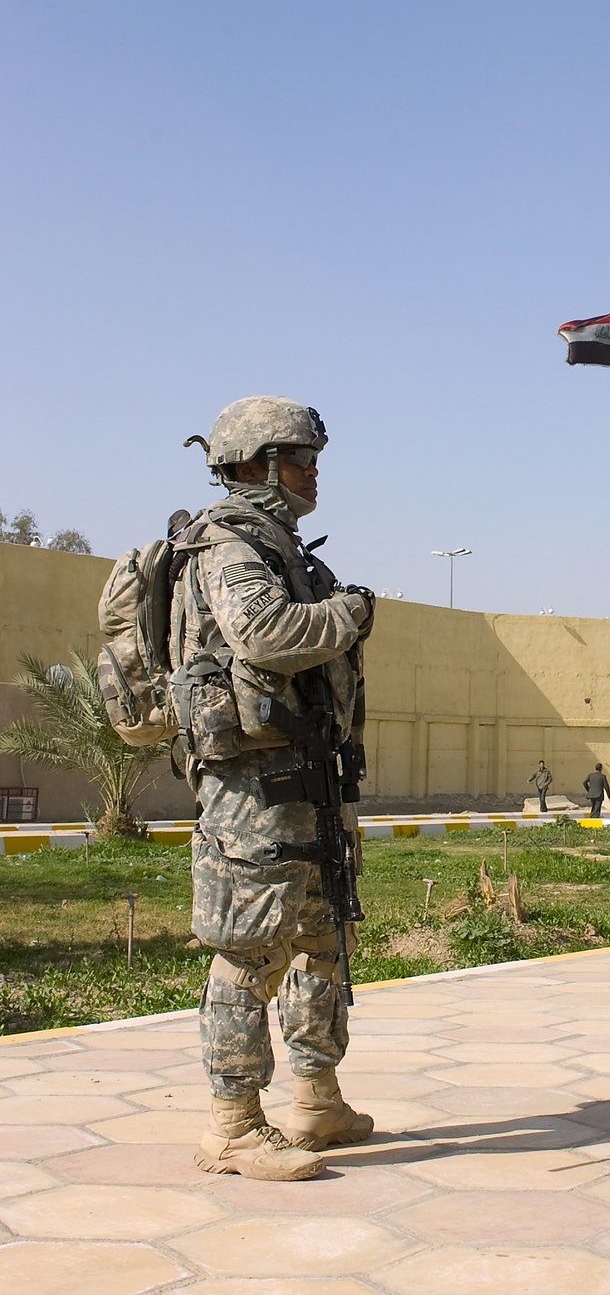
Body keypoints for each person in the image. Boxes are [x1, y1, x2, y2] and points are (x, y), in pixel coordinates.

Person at [173, 396, 376, 1182]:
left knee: (323, 940)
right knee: (251, 952)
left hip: (310, 779)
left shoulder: (288, 551)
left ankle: (317, 1097)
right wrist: (350, 614)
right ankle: (231, 1123)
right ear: (254, 465)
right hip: (252, 789)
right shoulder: (226, 547)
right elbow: (265, 636)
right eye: (299, 458)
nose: (313, 472)